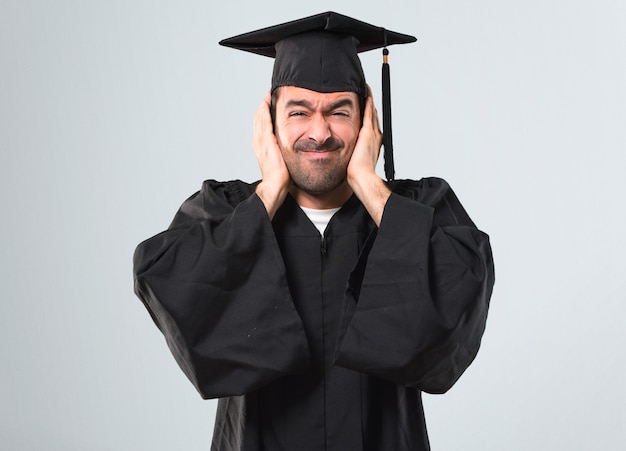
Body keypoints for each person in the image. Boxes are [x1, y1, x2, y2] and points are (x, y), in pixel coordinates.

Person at [133, 11, 495, 451]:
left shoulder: (416, 210)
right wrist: (268, 194)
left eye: (339, 111)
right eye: (299, 111)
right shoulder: (224, 211)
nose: (319, 132)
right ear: (269, 123)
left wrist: (369, 184)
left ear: (366, 120)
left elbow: (456, 311)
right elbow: (173, 291)